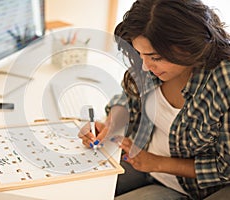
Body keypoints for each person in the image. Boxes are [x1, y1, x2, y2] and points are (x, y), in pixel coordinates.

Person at [79, 0, 230, 199]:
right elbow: (128, 100)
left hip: (191, 187)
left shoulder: (223, 81)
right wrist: (110, 124)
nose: (145, 66)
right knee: (79, 185)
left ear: (188, 45)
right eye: (140, 54)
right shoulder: (151, 67)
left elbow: (225, 167)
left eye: (155, 57)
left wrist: (157, 162)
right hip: (145, 162)